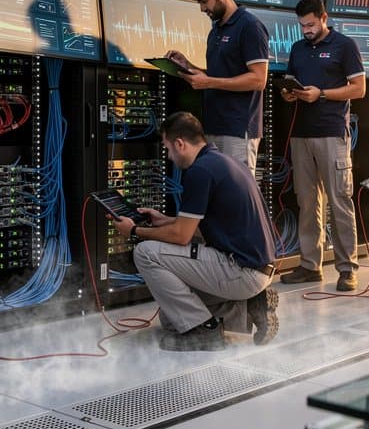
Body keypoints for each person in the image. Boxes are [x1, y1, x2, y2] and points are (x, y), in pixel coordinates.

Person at [110, 112, 279, 351]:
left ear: (180, 143)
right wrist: (164, 221)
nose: (168, 156)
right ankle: (250, 305)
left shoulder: (200, 172)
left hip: (242, 272)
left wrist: (135, 230)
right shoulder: (223, 161)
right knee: (171, 319)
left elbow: (182, 236)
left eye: (168, 148)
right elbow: (197, 225)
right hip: (258, 269)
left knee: (145, 253)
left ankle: (205, 332)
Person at [278, 0, 366, 292]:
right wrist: (289, 93)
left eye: (311, 24)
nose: (306, 30)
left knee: (339, 201)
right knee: (307, 203)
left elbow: (359, 88)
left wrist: (323, 94)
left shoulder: (345, 46)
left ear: (324, 17)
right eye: (302, 25)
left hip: (331, 134)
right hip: (301, 135)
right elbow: (290, 82)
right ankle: (309, 266)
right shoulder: (297, 49)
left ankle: (347, 269)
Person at [166, 0, 269, 176]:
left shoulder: (250, 26)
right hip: (214, 126)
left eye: (205, 1)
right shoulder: (216, 30)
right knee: (219, 195)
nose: (203, 9)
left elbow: (259, 79)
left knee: (237, 195)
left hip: (238, 130)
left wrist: (209, 82)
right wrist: (188, 66)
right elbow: (218, 73)